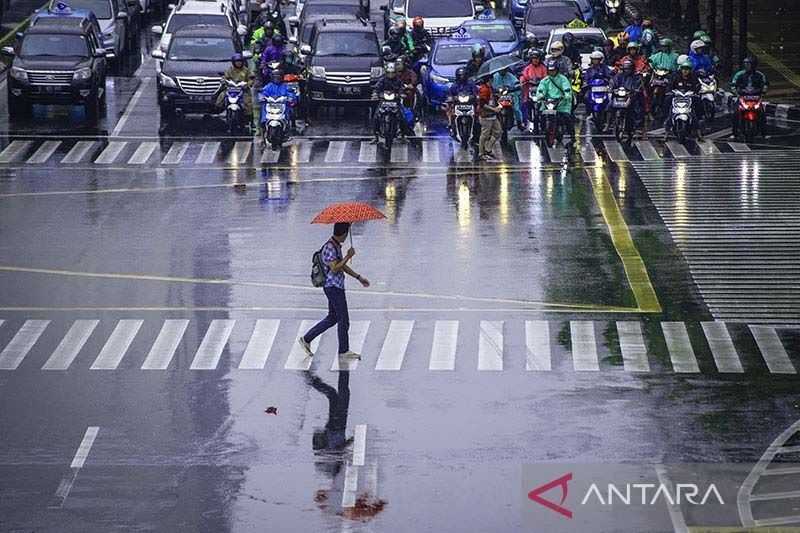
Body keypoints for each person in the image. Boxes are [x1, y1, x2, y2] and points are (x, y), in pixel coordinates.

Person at [300, 223, 369, 360]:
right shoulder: (330, 247)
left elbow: (342, 267)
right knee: (344, 320)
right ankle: (343, 351)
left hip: (336, 286)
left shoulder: (336, 246)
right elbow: (335, 268)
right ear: (343, 233)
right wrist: (348, 257)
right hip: (333, 287)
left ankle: (306, 339)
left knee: (333, 318)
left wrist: (358, 277)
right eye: (347, 232)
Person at [371, 62, 414, 141]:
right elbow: (377, 88)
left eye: (392, 73)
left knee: (402, 118)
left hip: (395, 102)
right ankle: (375, 136)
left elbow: (401, 88)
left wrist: (402, 94)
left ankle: (403, 135)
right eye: (389, 73)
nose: (391, 75)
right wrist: (375, 94)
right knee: (376, 116)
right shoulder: (382, 80)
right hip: (383, 102)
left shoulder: (398, 81)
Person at [731, 56, 768, 136]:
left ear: (754, 65)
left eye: (748, 64)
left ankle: (764, 133)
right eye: (745, 64)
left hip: (756, 97)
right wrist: (736, 93)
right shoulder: (739, 74)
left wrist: (763, 91)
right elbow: (733, 85)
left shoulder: (760, 75)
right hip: (743, 97)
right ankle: (734, 133)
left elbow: (765, 84)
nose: (746, 66)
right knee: (735, 113)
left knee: (762, 114)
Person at [664, 60, 703, 139]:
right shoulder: (676, 77)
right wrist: (669, 92)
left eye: (687, 69)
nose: (685, 71)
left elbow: (698, 86)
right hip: (677, 98)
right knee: (669, 107)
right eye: (683, 69)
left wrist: (696, 93)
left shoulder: (693, 78)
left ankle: (699, 133)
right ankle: (666, 133)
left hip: (689, 99)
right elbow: (670, 86)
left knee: (695, 111)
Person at [535, 59, 573, 138]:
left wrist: (567, 95)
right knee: (539, 115)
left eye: (553, 70)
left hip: (561, 103)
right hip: (548, 103)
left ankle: (572, 136)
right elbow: (541, 90)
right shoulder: (545, 80)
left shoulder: (563, 79)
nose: (552, 72)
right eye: (550, 70)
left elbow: (567, 89)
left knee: (567, 118)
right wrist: (540, 95)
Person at [611, 58, 647, 138]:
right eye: (626, 69)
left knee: (638, 107)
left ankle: (638, 126)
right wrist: (612, 89)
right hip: (621, 96)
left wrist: (636, 90)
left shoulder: (636, 77)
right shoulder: (619, 76)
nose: (627, 70)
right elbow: (614, 83)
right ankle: (609, 121)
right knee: (609, 104)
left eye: (629, 69)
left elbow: (639, 86)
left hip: (631, 96)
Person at [259, 68, 298, 135]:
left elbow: (291, 94)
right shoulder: (268, 86)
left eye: (278, 77)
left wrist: (291, 98)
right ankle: (263, 131)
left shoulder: (286, 86)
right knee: (263, 113)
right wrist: (262, 97)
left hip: (282, 107)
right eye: (275, 77)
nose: (277, 79)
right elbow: (263, 93)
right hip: (270, 106)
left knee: (290, 112)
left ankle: (289, 127)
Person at [217, 53, 255, 119]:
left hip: (243, 90)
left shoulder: (246, 70)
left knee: (247, 102)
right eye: (237, 61)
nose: (238, 63)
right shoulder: (230, 70)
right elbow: (225, 77)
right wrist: (224, 81)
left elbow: (251, 78)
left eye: (240, 61)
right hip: (231, 89)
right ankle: (221, 110)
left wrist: (248, 84)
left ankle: (250, 119)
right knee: (222, 96)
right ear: (233, 62)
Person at [477, 75, 502, 161]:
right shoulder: (484, 90)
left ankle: (488, 149)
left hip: (492, 115)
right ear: (489, 80)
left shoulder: (490, 88)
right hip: (486, 116)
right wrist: (494, 109)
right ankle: (481, 153)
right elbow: (482, 104)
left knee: (498, 131)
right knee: (484, 135)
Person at [520, 50, 547, 129]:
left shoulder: (543, 68)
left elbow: (546, 77)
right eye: (533, 58)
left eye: (537, 58)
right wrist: (523, 81)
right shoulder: (527, 68)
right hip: (530, 89)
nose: (535, 60)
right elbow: (524, 76)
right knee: (526, 103)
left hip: (541, 89)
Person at [446, 66, 478, 134]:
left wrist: (474, 97)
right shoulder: (454, 85)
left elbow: (475, 93)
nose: (462, 77)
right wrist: (452, 98)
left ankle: (476, 128)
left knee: (478, 113)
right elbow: (450, 94)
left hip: (470, 105)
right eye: (460, 75)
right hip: (458, 105)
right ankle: (452, 126)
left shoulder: (471, 84)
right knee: (450, 111)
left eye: (463, 75)